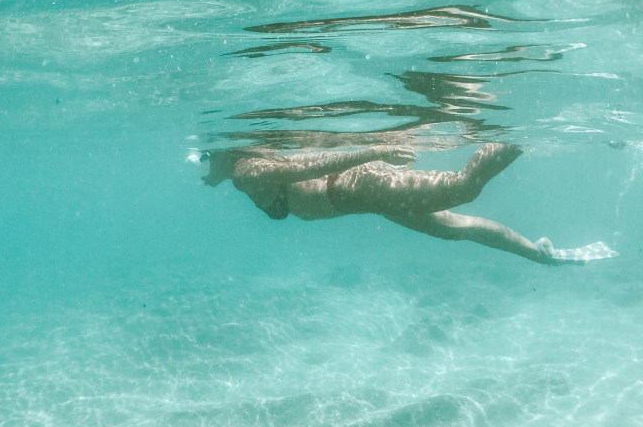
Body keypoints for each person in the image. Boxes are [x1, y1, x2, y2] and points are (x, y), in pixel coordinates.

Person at [200, 142, 616, 265]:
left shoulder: (246, 171)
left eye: (206, 154)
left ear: (225, 151)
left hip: (361, 186)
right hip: (369, 198)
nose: (202, 164)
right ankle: (540, 254)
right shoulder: (247, 171)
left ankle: (514, 138)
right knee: (454, 229)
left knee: (464, 188)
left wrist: (371, 151)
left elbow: (310, 166)